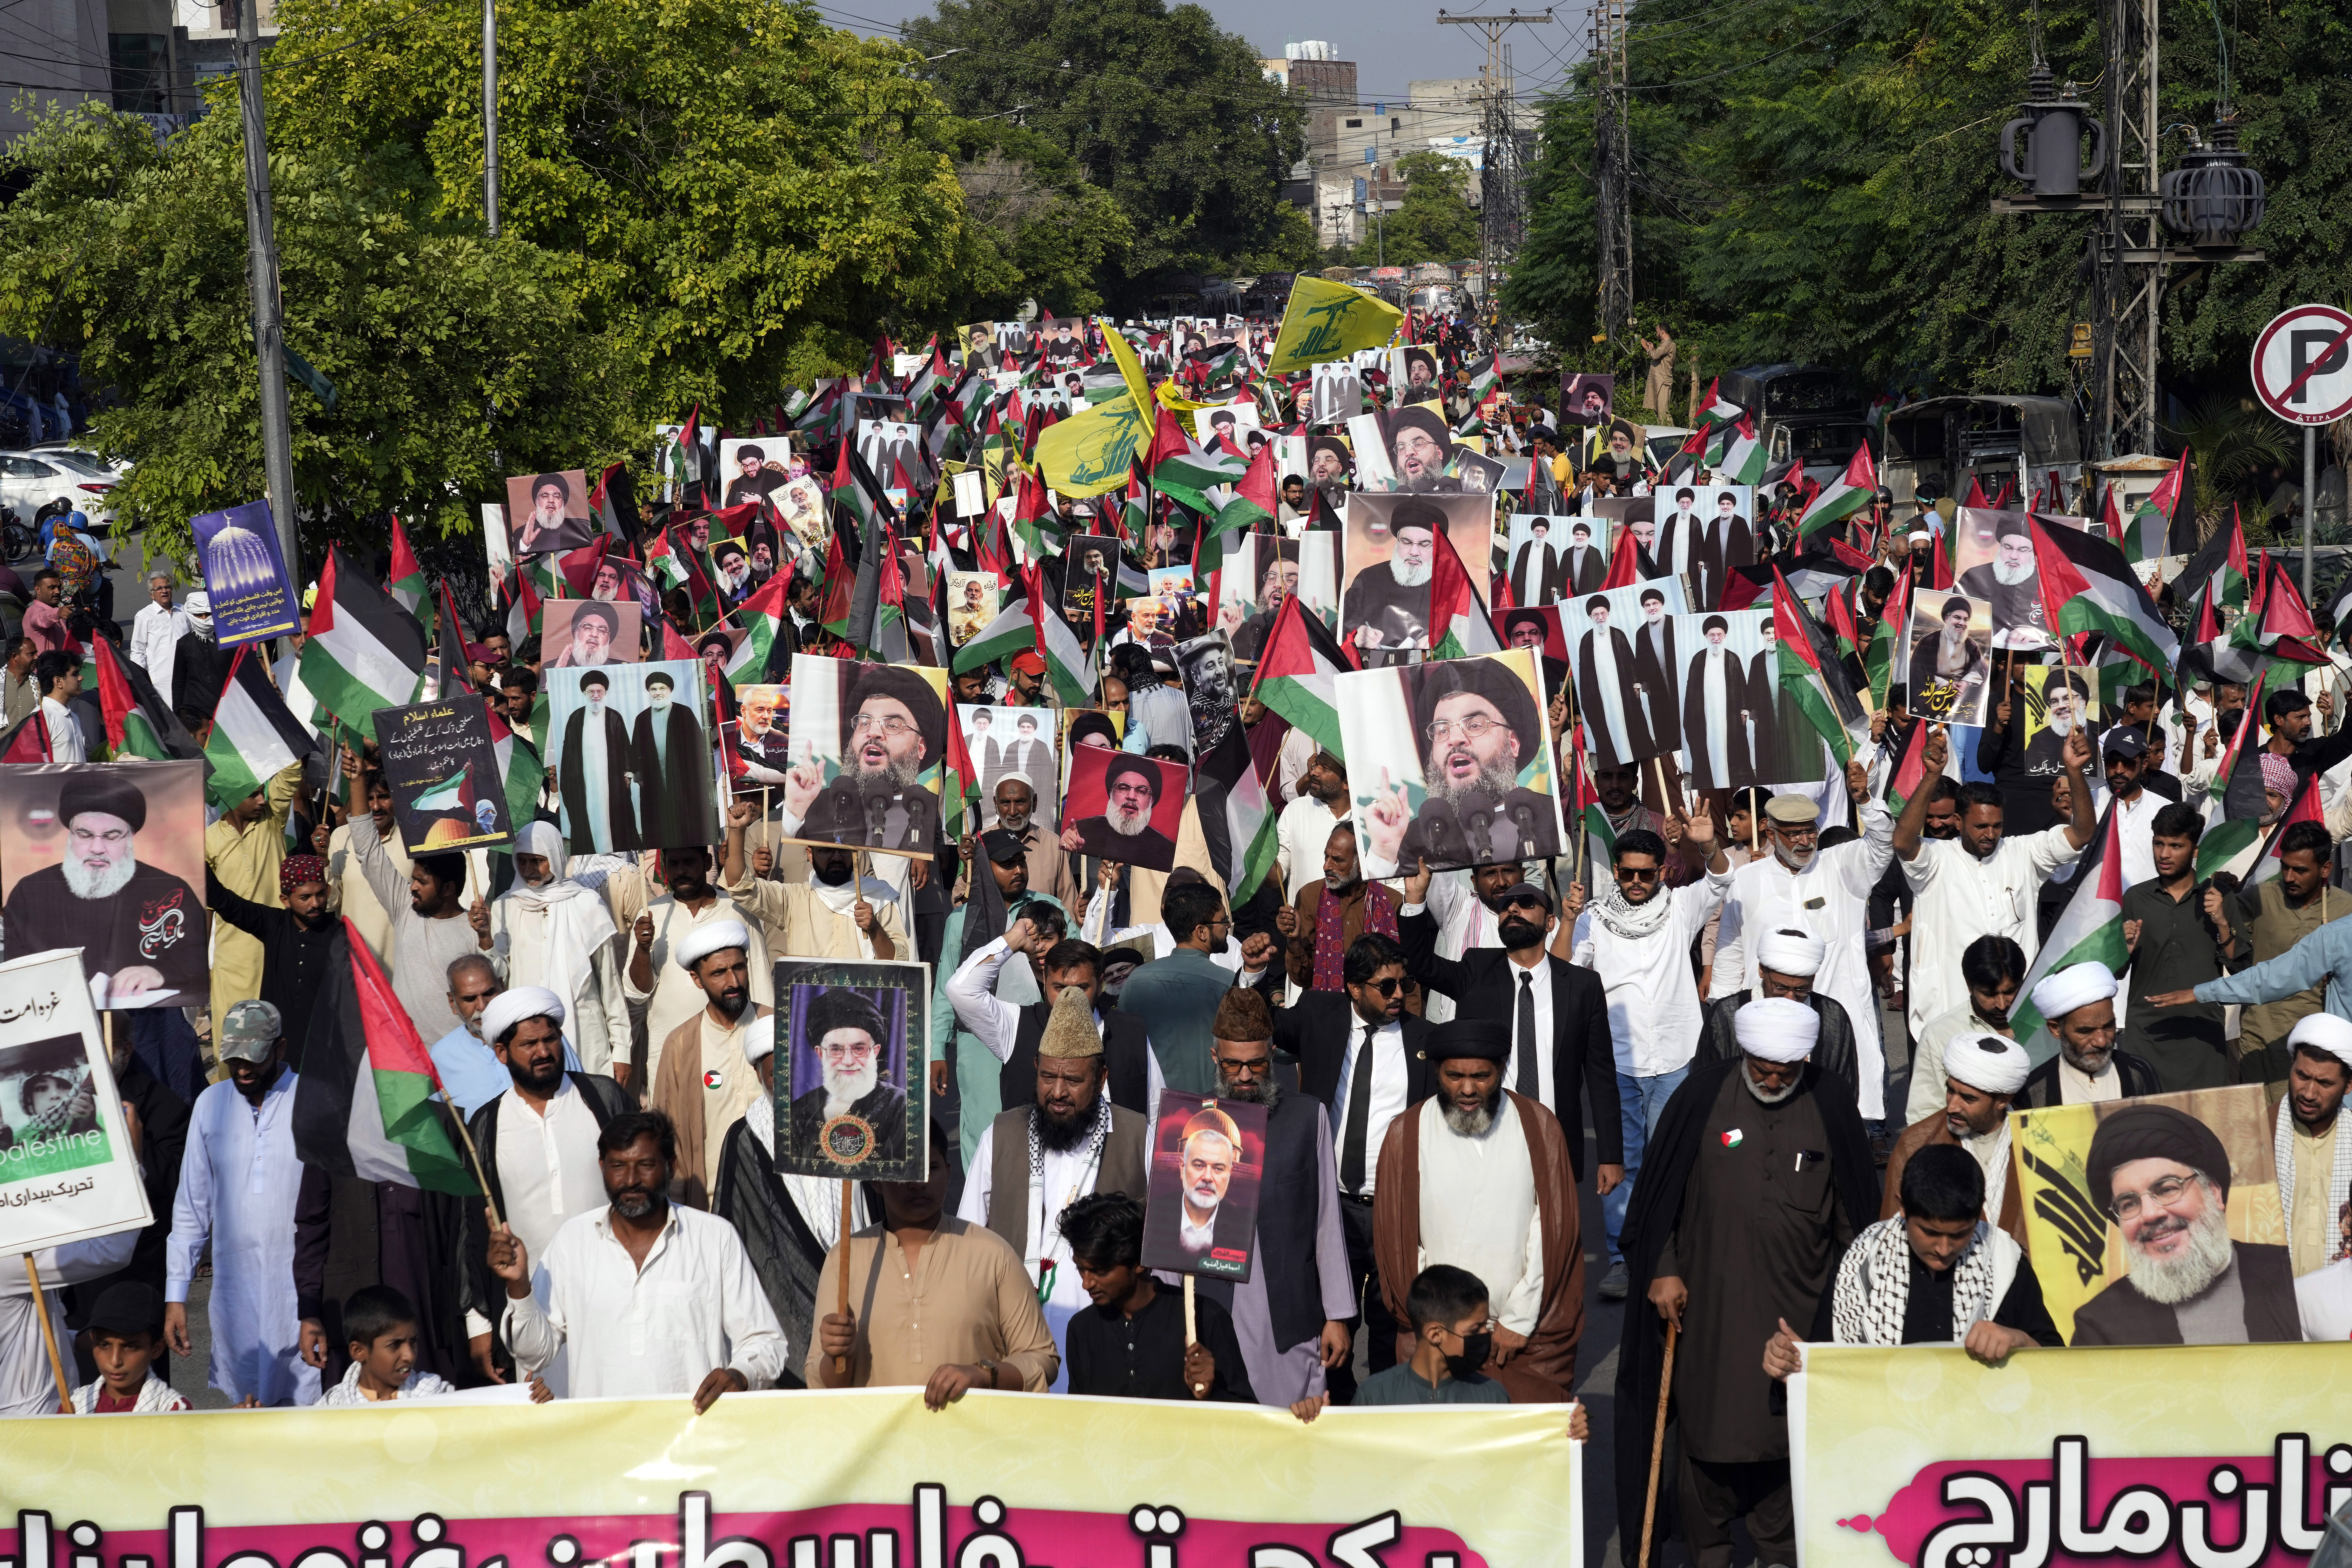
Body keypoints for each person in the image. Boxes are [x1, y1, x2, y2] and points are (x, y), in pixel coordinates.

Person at [1614, 999, 1878, 1568]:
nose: (1773, 1080)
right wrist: (1662, 1267)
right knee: (1707, 1434)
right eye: (1762, 1068)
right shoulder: (1702, 1094)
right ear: (1743, 1053)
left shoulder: (1830, 1100)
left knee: (1788, 1439)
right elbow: (1658, 1202)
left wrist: (1845, 1316)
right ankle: (1708, 1550)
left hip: (1802, 1311)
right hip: (1709, 1311)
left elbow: (1856, 1222)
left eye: (1786, 1071)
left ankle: (1781, 1550)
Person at [492, 1110, 787, 1402]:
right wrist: (519, 1286)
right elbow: (535, 1353)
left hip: (691, 1428)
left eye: (645, 1165)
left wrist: (741, 1374)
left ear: (671, 1166)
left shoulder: (714, 1237)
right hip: (599, 1430)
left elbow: (765, 1340)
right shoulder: (573, 1241)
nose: (631, 1180)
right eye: (618, 1166)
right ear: (602, 1166)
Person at [1371, 1015, 1585, 1402]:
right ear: (1437, 1072)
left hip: (1523, 1334)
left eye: (1481, 1076)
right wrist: (1445, 1324)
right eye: (1454, 1076)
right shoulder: (1407, 1133)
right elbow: (1399, 1243)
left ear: (1501, 1069)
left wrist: (1518, 1319)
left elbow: (1553, 1231)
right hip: (1439, 1335)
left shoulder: (1539, 1126)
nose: (1467, 1089)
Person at [1567, 822, 1730, 1298]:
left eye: (1646, 874)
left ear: (1661, 872)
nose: (1636, 882)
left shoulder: (1680, 907)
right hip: (1617, 1061)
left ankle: (1667, 1254)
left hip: (1676, 1056)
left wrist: (1707, 842)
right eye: (1627, 874)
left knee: (1672, 1158)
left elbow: (1722, 877)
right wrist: (1566, 920)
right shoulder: (1592, 918)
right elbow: (1567, 971)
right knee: (1620, 1163)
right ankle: (1622, 1259)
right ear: (1615, 872)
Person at [957, 985, 1150, 1385]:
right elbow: (968, 1241)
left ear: (1101, 1079)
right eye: (1047, 1076)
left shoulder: (1136, 1135)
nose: (1057, 1092)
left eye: (1073, 1080)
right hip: (1015, 1344)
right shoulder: (1002, 1134)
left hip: (1108, 1341)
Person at [1174, 992, 1354, 1407]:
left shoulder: (1308, 1117)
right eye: (1232, 1064)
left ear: (1272, 1056)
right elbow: (1173, 1233)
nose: (1243, 1076)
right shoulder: (1187, 1121)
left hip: (1288, 1313)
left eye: (1256, 1064)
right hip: (1211, 1308)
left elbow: (1326, 1221)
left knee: (1294, 1430)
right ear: (1214, 1057)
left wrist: (1337, 1315)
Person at [1397, 868, 1622, 1197]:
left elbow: (1601, 1075)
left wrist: (1611, 1155)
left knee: (1552, 1230)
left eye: (1526, 903)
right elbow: (1420, 964)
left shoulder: (1582, 985)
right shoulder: (1476, 969)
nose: (1513, 908)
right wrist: (1416, 897)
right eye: (1506, 906)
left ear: (1550, 922)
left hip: (1555, 1140)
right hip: (1485, 1138)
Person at [810, 1120, 1060, 1403]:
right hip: (877, 1431)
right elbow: (820, 1385)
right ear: (877, 1180)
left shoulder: (992, 1254)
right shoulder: (844, 1260)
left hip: (972, 1431)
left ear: (949, 1172)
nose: (919, 1183)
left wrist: (983, 1374)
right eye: (904, 1170)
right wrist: (836, 1355)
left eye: (931, 1168)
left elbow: (1042, 1358)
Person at [455, 986, 626, 1388]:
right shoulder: (488, 1124)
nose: (543, 1051)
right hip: (532, 1305)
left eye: (550, 1039)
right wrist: (478, 1324)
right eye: (529, 1044)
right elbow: (471, 1228)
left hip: (616, 1293)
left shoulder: (602, 1098)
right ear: (502, 1053)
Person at [1762, 1144, 2061, 1369]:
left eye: (1960, 1234)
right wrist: (1792, 1363)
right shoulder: (1860, 1264)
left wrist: (2019, 1340)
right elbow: (1826, 1369)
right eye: (1930, 1232)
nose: (1944, 1249)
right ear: (1903, 1207)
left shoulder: (2005, 1263)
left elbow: (2057, 1364)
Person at [1711, 764, 1895, 1119]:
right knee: (1772, 1118)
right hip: (1768, 1022)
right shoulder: (1746, 880)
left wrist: (1865, 801)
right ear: (1770, 832)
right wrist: (1723, 1009)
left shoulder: (1843, 866)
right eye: (1793, 833)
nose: (1805, 841)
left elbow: (1883, 842)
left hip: (1834, 1021)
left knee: (1837, 1117)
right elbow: (1731, 949)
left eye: (1810, 831)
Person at [1895, 723, 2094, 1044]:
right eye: (1980, 826)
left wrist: (2074, 771)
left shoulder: (2023, 853)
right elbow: (1903, 842)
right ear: (1958, 821)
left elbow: (2082, 834)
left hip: (2014, 1015)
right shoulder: (1936, 858)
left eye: (1997, 825)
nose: (1990, 834)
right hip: (1949, 1011)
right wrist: (1932, 775)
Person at [165, 999, 317, 1405]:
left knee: (309, 1415)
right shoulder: (210, 1104)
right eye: (234, 1060)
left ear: (280, 1048)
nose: (243, 1069)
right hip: (237, 1297)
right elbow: (192, 1205)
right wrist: (176, 1293)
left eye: (254, 1059)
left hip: (301, 1292)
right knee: (247, 1414)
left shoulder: (312, 1099)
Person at [2068, 1104, 2300, 1344]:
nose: (2150, 1214)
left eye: (2167, 1189)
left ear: (2213, 1193)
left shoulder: (2291, 1272)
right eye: (2129, 1204)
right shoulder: (2099, 1324)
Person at [3, 768, 203, 1003]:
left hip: (147, 1020)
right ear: (71, 835)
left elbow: (199, 958)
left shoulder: (169, 890)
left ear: (130, 837)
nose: (97, 848)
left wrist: (159, 974)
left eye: (111, 836)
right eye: (85, 835)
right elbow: (12, 970)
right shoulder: (31, 891)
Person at [1361, 656, 1563, 874]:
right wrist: (1385, 853)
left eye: (1475, 725)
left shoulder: (1552, 816)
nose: (1455, 739)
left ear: (1512, 744)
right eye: (1442, 730)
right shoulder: (1416, 836)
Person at [1062, 1192, 1252, 1400]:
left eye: (1100, 1271)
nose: (1087, 1283)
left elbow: (1246, 1411)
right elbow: (1078, 1415)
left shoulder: (1206, 1318)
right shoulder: (1081, 1329)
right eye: (1081, 1269)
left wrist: (1210, 1392)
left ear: (1138, 1262)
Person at [478, 821, 630, 1077]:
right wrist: (485, 938)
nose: (529, 870)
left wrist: (622, 1051)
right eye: (522, 861)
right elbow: (500, 978)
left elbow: (610, 983)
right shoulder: (505, 906)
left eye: (538, 861)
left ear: (555, 857)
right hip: (529, 1040)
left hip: (586, 1040)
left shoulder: (586, 903)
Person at [2110, 802, 2239, 1089]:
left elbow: (2240, 967)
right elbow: (2115, 972)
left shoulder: (2218, 896)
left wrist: (2221, 922)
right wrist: (2122, 950)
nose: (2164, 854)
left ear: (2195, 850)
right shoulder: (2135, 898)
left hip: (2203, 1040)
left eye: (2176, 846)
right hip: (2146, 1037)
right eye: (2159, 843)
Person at [649, 919, 773, 1208]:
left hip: (781, 1197)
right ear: (697, 979)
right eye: (719, 973)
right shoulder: (681, 1045)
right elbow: (671, 1136)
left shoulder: (780, 1027)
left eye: (739, 968)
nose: (734, 982)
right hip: (713, 1203)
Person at [625, 847, 774, 1082]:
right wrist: (643, 949)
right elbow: (637, 993)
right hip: (668, 1047)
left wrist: (769, 1039)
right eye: (673, 864)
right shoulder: (651, 914)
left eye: (688, 862)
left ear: (707, 862)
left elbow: (759, 976)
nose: (680, 871)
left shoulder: (737, 907)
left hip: (733, 1046)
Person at [344, 800, 481, 1044]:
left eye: (423, 882)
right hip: (407, 1053)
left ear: (448, 888)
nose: (413, 887)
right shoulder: (405, 908)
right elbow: (368, 851)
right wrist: (356, 783)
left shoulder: (475, 930)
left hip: (456, 1056)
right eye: (413, 879)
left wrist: (486, 939)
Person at [1879, 1030, 2031, 1241]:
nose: (1952, 1107)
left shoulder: (2039, 1140)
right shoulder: (1918, 1143)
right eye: (1951, 1091)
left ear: (2003, 1100)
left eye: (1968, 1099)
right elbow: (1893, 1233)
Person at [2230, 821, 2352, 1080]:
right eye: (2285, 867)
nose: (2289, 877)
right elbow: (2222, 930)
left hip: (2316, 1041)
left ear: (2326, 869)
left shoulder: (2346, 910)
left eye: (2300, 870)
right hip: (2258, 1034)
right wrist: (2220, 891)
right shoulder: (2260, 897)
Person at [1112, 882, 1252, 1094]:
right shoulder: (1228, 984)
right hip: (1211, 1108)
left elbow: (1123, 1051)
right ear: (1202, 932)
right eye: (1223, 920)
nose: (1227, 926)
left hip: (1151, 1105)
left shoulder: (1135, 981)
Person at [204, 848, 337, 1059]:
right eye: (305, 897)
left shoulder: (341, 935)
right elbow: (224, 901)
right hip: (277, 1052)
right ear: (286, 899)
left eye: (320, 894)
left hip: (324, 1051)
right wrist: (192, 851)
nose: (315, 903)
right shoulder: (273, 924)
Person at [783, 981, 910, 1168]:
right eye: (836, 1050)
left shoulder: (901, 1105)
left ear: (875, 1052)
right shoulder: (799, 1112)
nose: (848, 1061)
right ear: (821, 1053)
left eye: (859, 1049)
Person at [1905, 936, 2026, 1126]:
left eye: (2010, 992)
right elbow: (1924, 1113)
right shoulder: (1940, 1034)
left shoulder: (2044, 1022)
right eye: (1989, 995)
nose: (2002, 1005)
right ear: (1970, 986)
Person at [2014, 962, 2160, 1106]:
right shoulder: (2033, 1091)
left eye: (2109, 1026)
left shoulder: (2138, 1072)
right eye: (2086, 1031)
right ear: (2056, 1029)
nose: (2102, 1041)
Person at [2275, 1015, 2352, 1279]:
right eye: (2302, 1076)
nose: (2309, 1093)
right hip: (2269, 1293)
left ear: (2349, 1085)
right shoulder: (2259, 1131)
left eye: (2325, 1083)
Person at [319, 1284, 459, 1406]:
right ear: (359, 1352)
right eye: (395, 1345)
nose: (410, 1356)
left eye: (413, 1341)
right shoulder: (332, 1408)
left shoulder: (438, 1396)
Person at [68, 1282, 191, 1414]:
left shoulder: (173, 1411)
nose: (115, 1361)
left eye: (130, 1347)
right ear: (92, 1341)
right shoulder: (74, 1407)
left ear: (157, 1349)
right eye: (104, 1345)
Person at [1342, 499, 1439, 657]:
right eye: (1407, 542)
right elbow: (1340, 627)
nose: (1414, 552)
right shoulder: (1369, 578)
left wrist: (1441, 642)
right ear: (1397, 543)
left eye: (1424, 544)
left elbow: (1467, 634)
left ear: (1437, 548)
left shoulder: (1451, 585)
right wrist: (1355, 635)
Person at [631, 670, 716, 848]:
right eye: (654, 689)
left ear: (670, 691)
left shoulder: (684, 713)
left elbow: (699, 746)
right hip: (653, 783)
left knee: (686, 822)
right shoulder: (642, 719)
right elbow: (635, 751)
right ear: (649, 692)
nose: (658, 693)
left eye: (662, 689)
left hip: (683, 781)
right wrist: (640, 778)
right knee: (658, 824)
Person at [559, 668, 638, 852]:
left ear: (606, 693)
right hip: (585, 779)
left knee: (613, 815)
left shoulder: (614, 717)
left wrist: (627, 774)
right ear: (584, 693)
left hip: (610, 780)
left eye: (600, 692)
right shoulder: (576, 718)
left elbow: (625, 747)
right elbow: (568, 753)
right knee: (588, 814)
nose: (596, 696)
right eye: (592, 692)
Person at [1956, 511, 2046, 647]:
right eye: (2008, 548)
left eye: (2023, 550)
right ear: (2000, 547)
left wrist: (2037, 633)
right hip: (1982, 651)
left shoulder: (2046, 582)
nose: (2014, 556)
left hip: (2029, 654)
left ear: (2034, 553)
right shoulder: (1975, 576)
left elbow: (2061, 623)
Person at [1909, 595, 1989, 724]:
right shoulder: (1929, 641)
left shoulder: (1972, 646)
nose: (1962, 623)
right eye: (1957, 618)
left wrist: (1966, 683)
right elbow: (1917, 671)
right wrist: (1945, 684)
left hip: (1959, 703)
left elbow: (1982, 671)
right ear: (1947, 618)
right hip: (1932, 697)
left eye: (1966, 620)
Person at [127, 570, 185, 708]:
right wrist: (141, 679)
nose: (164, 591)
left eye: (167, 587)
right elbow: (138, 650)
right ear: (152, 594)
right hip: (162, 680)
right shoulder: (144, 616)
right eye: (159, 589)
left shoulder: (183, 611)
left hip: (188, 675)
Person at [513, 472, 592, 555]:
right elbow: (518, 561)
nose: (551, 501)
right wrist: (525, 544)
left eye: (557, 496)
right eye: (545, 496)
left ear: (563, 503)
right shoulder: (521, 533)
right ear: (537, 502)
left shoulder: (578, 531)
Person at [550, 601, 622, 668]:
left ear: (608, 639)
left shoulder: (621, 669)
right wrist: (557, 674)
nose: (594, 634)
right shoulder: (552, 668)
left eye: (601, 630)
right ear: (577, 633)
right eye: (588, 628)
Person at [1511, 519, 1560, 607]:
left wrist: (1553, 589)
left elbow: (1554, 570)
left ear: (1546, 533)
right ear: (1533, 531)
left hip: (1543, 586)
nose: (1540, 534)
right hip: (1527, 583)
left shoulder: (1550, 550)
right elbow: (1517, 569)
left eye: (1543, 532)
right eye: (1537, 531)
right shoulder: (1525, 547)